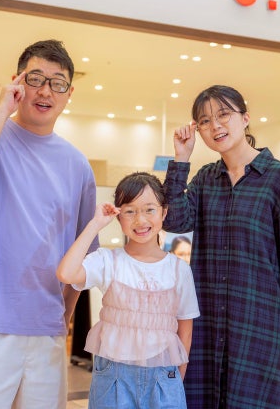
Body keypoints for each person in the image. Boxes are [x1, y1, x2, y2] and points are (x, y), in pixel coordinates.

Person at [0, 39, 99, 408]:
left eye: (57, 83)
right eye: (35, 79)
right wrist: (1, 109)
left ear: (69, 93)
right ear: (17, 82)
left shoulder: (77, 165)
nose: (45, 91)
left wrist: (62, 317)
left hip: (45, 330)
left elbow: (83, 254)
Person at [165, 85, 280, 409]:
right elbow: (174, 221)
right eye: (205, 121)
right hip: (207, 326)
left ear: (245, 118)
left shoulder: (278, 178)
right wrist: (181, 159)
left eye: (224, 115)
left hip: (260, 326)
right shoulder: (205, 179)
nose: (216, 126)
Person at [56, 172, 199, 408]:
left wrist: (176, 380)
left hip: (163, 373)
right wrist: (95, 224)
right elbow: (66, 273)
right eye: (130, 211)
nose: (140, 220)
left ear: (164, 212)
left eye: (149, 209)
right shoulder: (107, 260)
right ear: (118, 217)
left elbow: (186, 332)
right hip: (113, 373)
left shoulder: (179, 270)